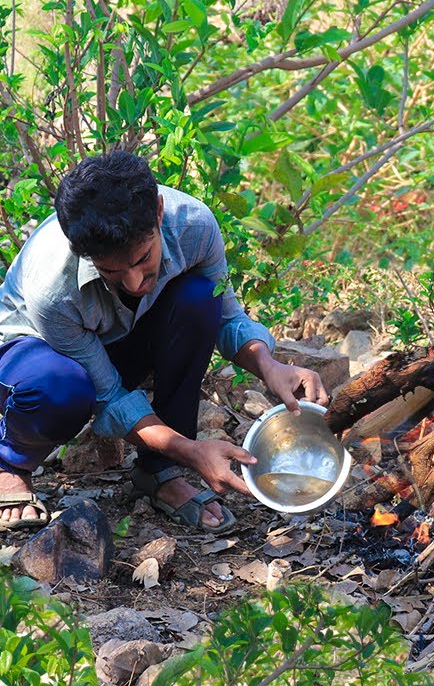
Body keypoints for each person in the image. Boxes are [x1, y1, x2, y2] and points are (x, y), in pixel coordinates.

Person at [0, 151, 328, 532]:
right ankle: (11, 462)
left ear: (158, 211)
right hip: (33, 356)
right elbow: (109, 395)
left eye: (144, 259)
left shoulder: (193, 225)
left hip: (117, 341)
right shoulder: (52, 286)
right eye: (111, 271)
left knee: (200, 297)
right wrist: (192, 451)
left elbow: (226, 315)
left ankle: (160, 473)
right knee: (61, 390)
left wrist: (269, 365)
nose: (134, 282)